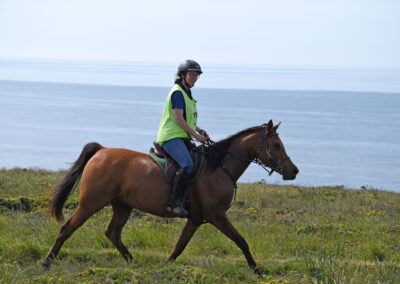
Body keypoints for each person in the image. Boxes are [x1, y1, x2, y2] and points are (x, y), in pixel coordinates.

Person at [157, 59, 210, 217]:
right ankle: (174, 203)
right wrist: (197, 136)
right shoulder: (178, 93)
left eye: (196, 75)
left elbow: (189, 120)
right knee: (187, 164)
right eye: (191, 74)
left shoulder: (187, 93)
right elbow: (179, 120)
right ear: (182, 75)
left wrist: (200, 130)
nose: (194, 77)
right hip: (171, 136)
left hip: (181, 137)